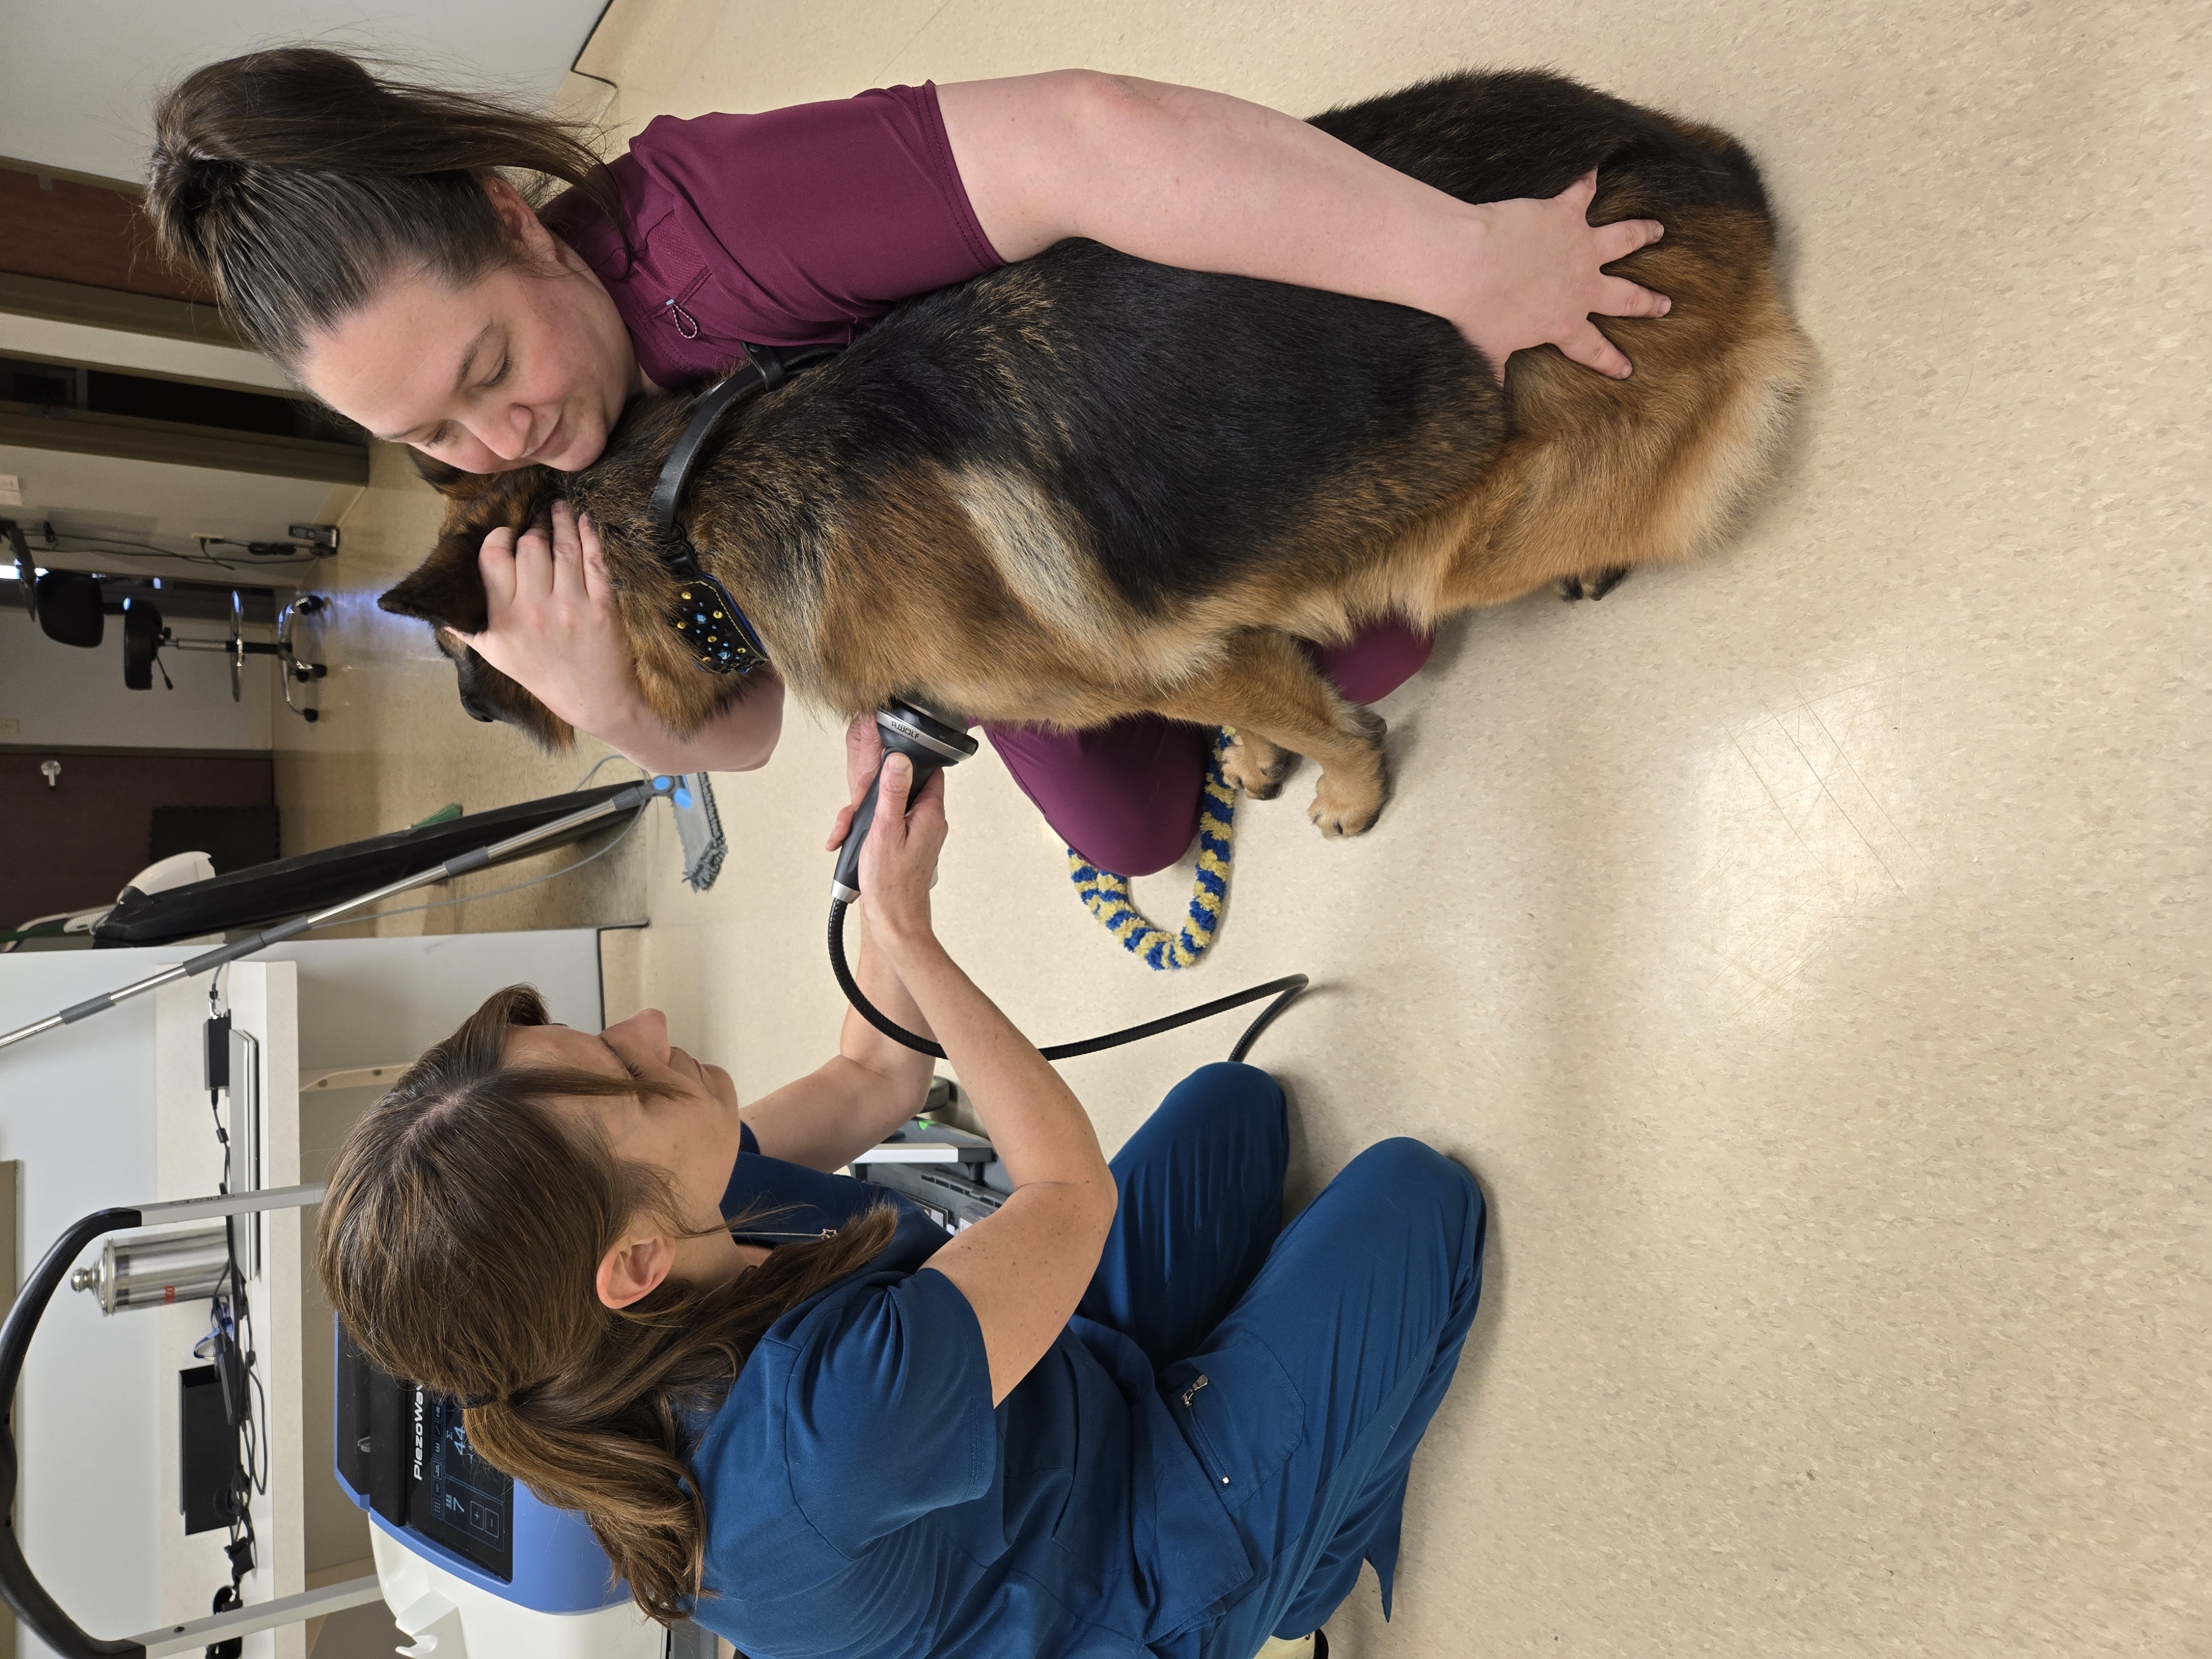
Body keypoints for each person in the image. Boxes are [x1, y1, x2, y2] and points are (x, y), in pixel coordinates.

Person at [146, 47, 1669, 877]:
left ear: (513, 218)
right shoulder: (510, 495)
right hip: (982, 572)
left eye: (488, 373)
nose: (496, 446)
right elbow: (734, 727)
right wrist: (636, 703)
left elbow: (1094, 130)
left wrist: (1468, 259)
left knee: (1386, 641)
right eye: (428, 438)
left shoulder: (714, 225)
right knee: (1138, 835)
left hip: (1111, 417)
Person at [317, 719, 1486, 1657]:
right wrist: (913, 940)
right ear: (630, 1266)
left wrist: (885, 814)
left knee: (1235, 1116)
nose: (650, 1026)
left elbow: (872, 1072)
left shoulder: (672, 1238)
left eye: (602, 1035)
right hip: (1127, 1577)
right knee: (1416, 1200)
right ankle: (1294, 1573)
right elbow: (1062, 1199)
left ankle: (1239, 1415)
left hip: (1053, 1409)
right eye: (627, 1075)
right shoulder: (806, 1446)